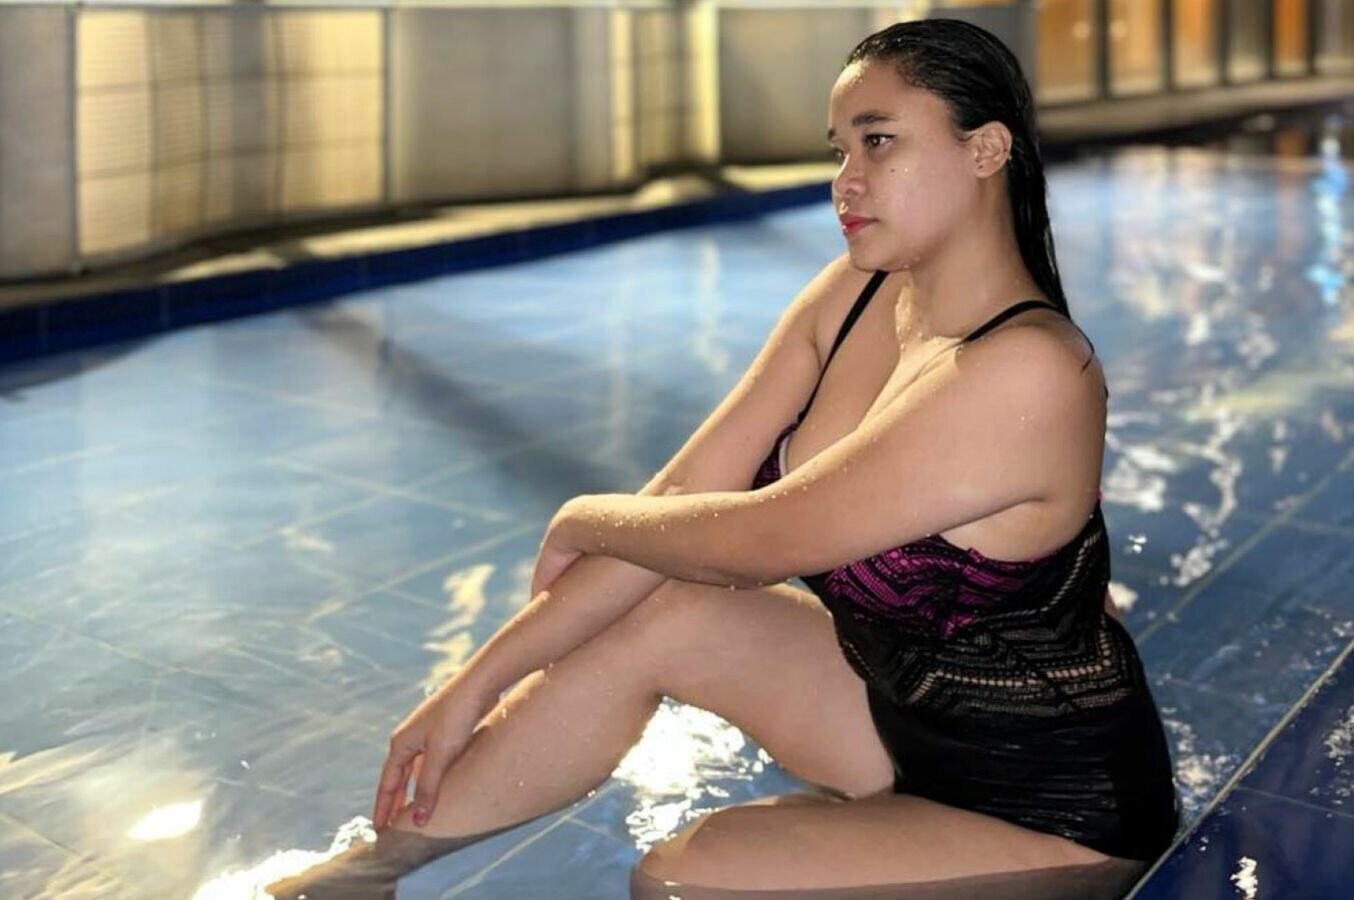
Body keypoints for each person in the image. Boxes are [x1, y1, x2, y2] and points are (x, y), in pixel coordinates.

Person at [267, 17, 1178, 900]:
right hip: (893, 723)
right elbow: (684, 496)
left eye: (880, 142)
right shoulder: (858, 296)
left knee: (683, 878)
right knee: (654, 614)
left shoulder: (1031, 370)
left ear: (986, 150)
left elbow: (756, 541)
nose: (847, 181)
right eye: (840, 151)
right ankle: (363, 880)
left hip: (1048, 809)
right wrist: (472, 686)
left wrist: (584, 517)